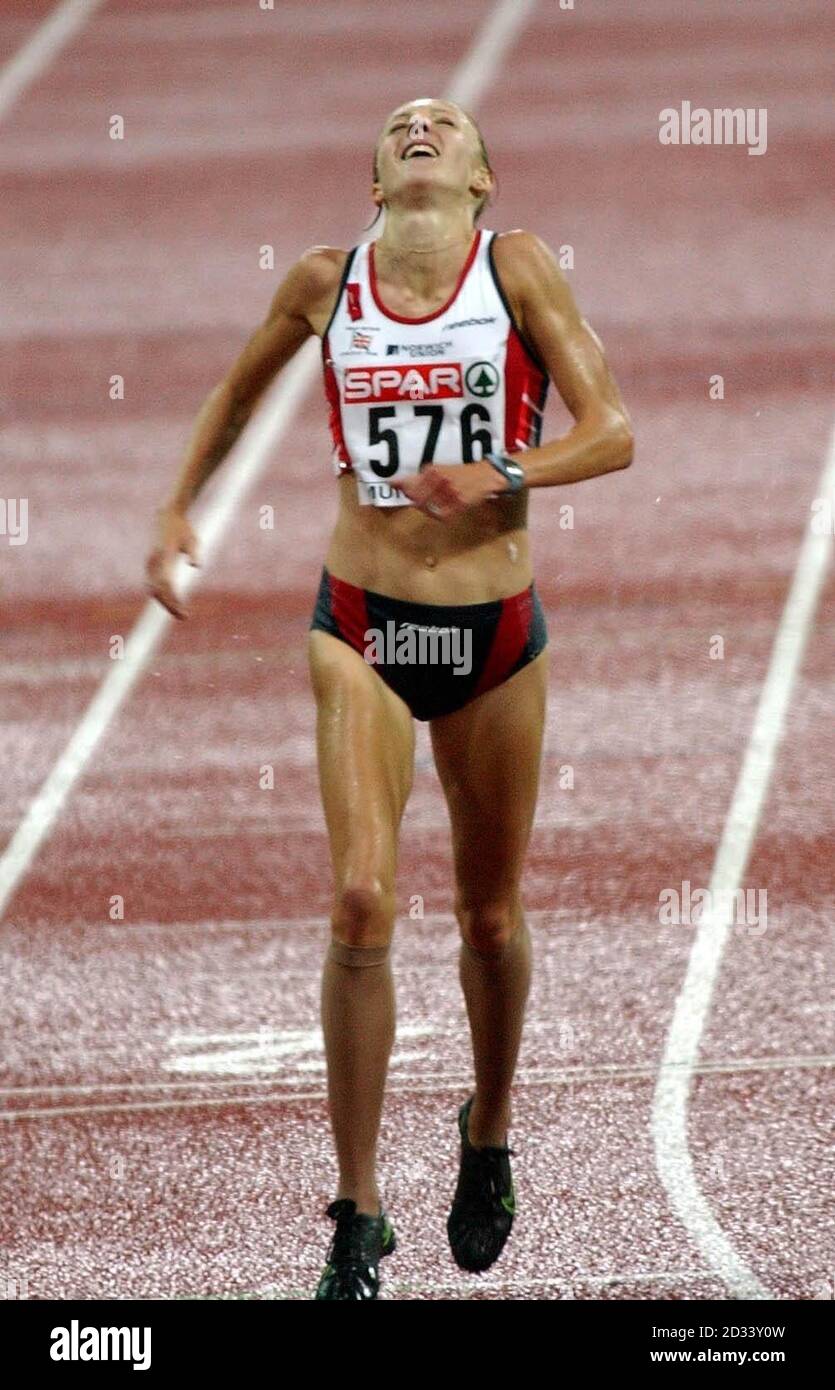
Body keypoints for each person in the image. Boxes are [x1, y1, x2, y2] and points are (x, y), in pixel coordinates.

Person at [146, 97, 633, 1301]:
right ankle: (357, 1213)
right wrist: (178, 506)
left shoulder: (516, 270)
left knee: (487, 920)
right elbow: (238, 391)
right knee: (362, 898)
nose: (421, 125)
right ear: (374, 181)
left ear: (482, 177)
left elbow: (613, 430)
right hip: (358, 624)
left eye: (447, 124)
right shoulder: (326, 281)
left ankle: (489, 1128)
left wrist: (500, 468)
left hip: (494, 637)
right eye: (399, 125)